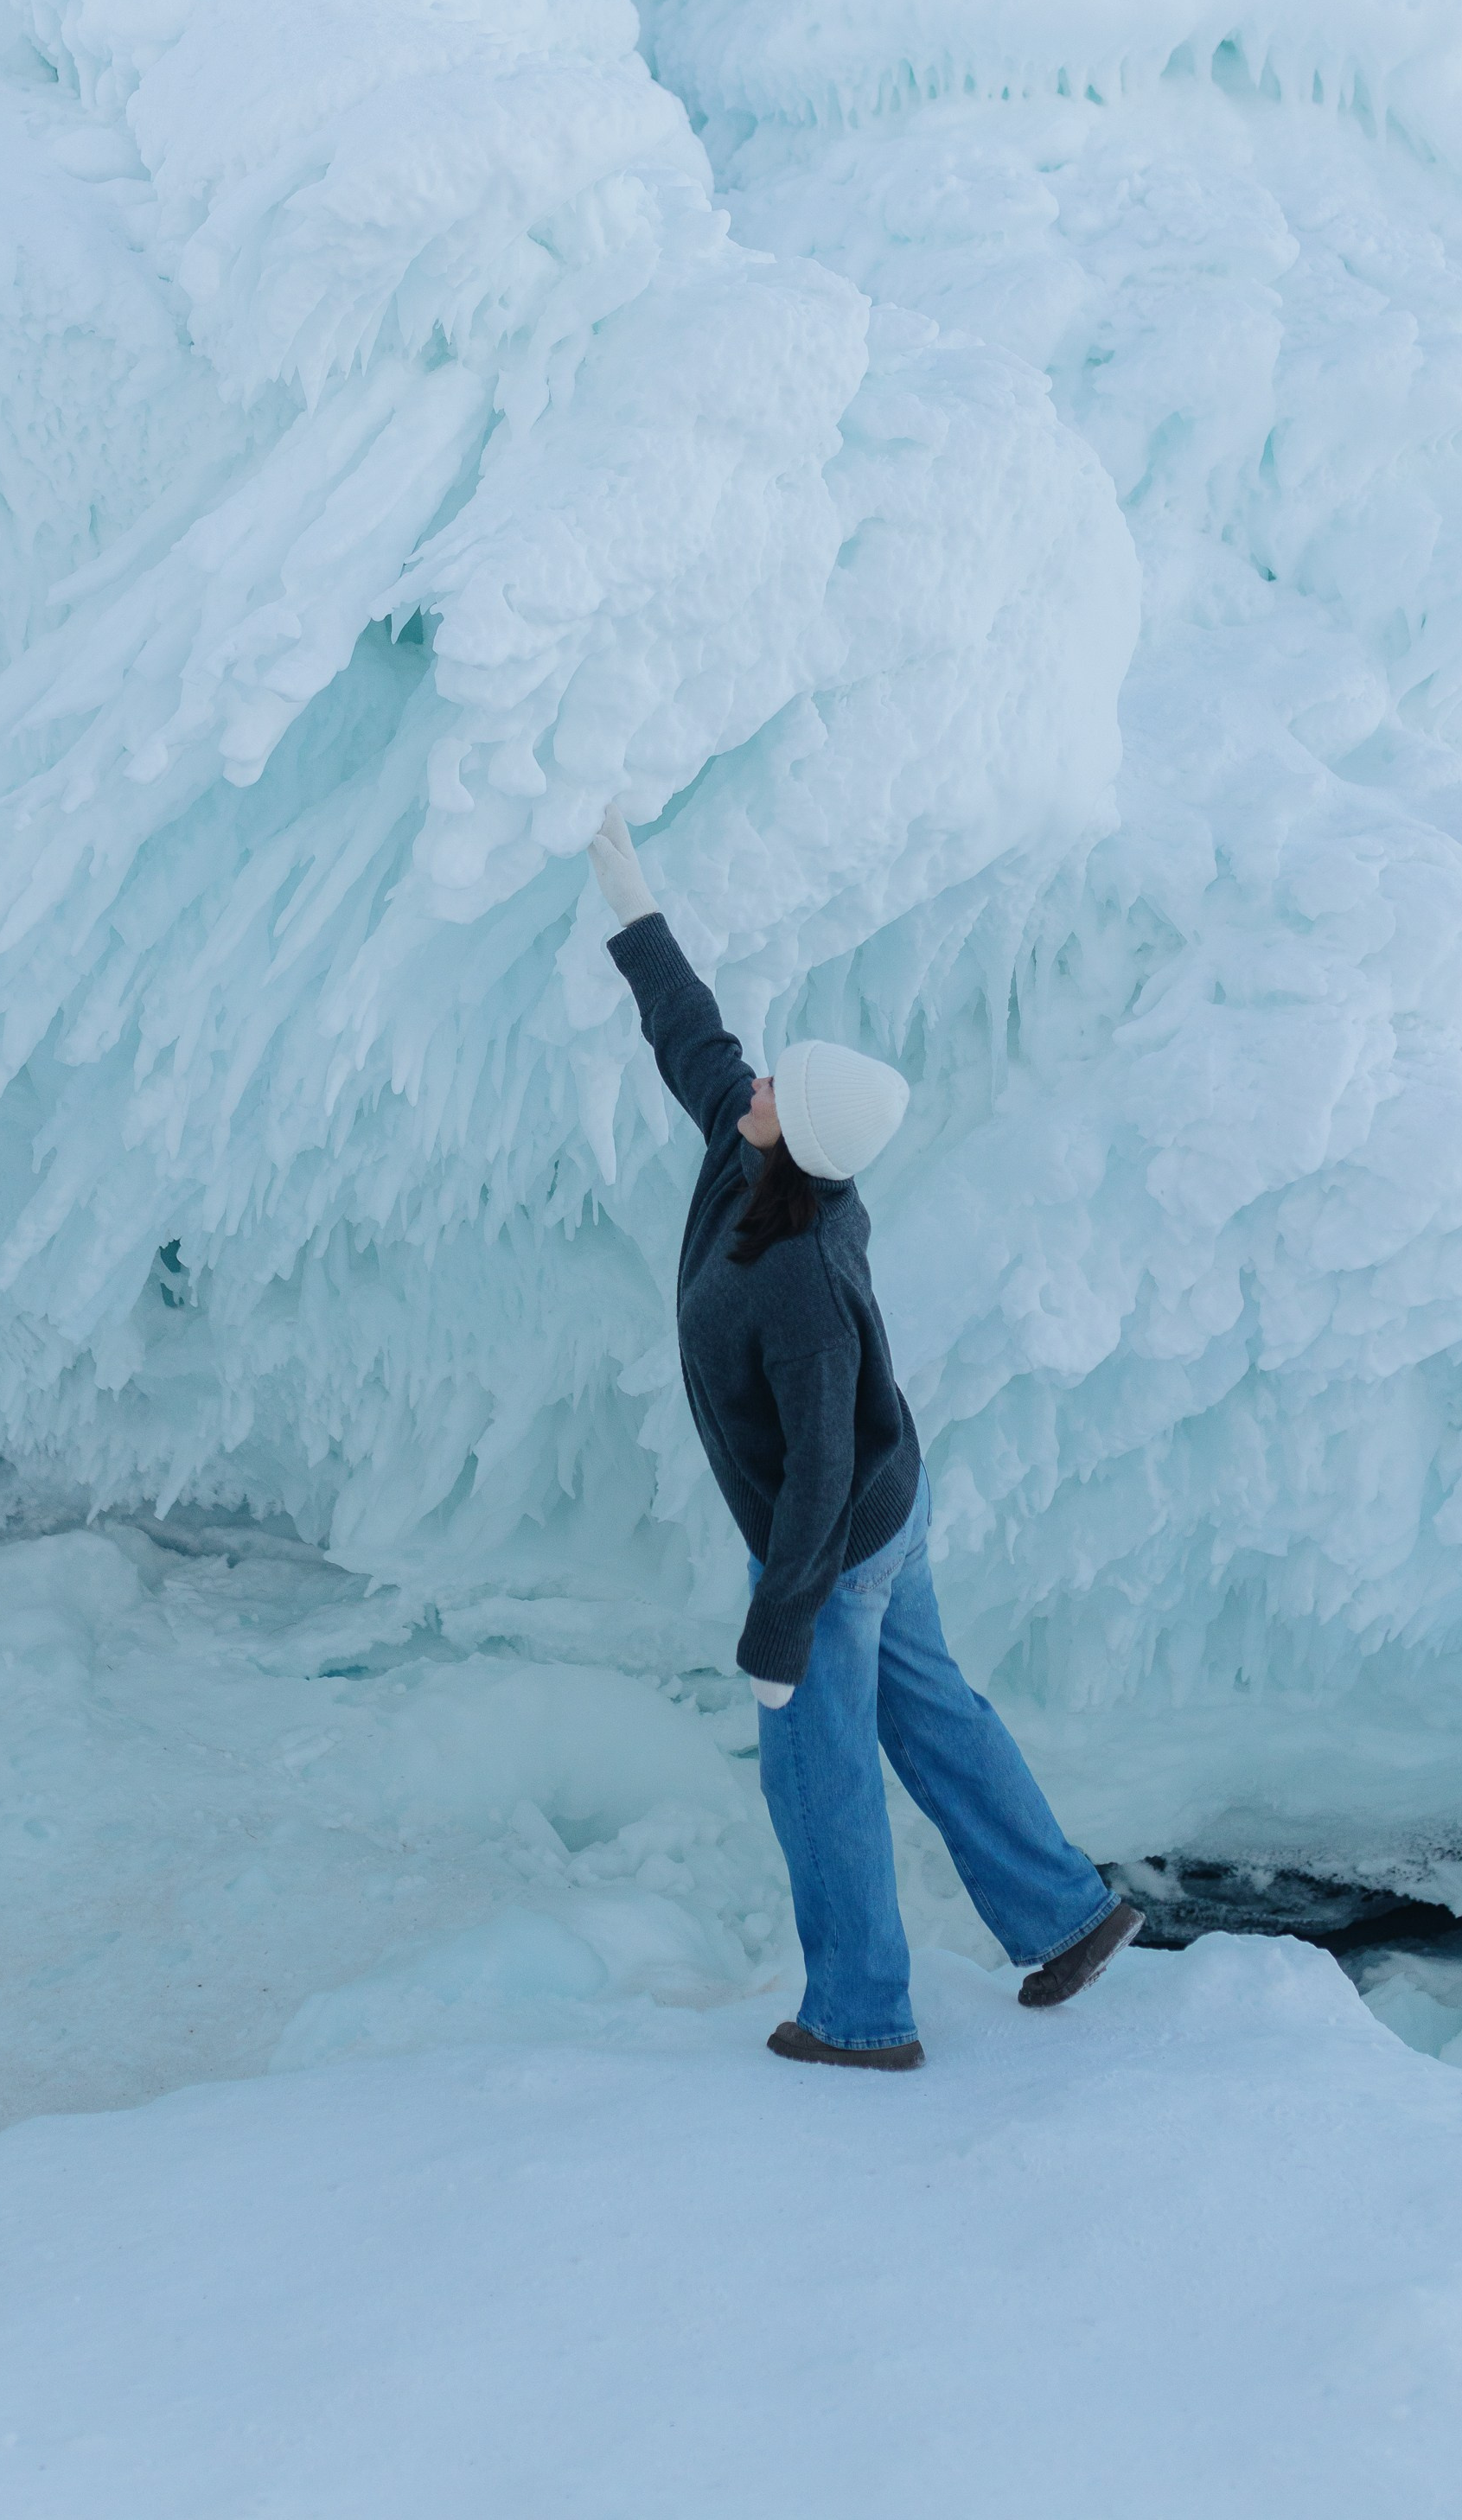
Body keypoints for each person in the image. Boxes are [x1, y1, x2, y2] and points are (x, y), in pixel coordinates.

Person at [588, 806, 1140, 2071]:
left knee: (816, 1772)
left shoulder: (800, 1287)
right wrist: (631, 906)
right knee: (932, 1711)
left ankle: (858, 2016)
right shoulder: (761, 1152)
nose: (758, 1084)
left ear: (807, 1128)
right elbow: (694, 1037)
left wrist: (781, 1630)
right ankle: (1065, 1915)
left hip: (838, 1538)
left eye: (780, 1086)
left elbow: (818, 1480)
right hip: (891, 1514)